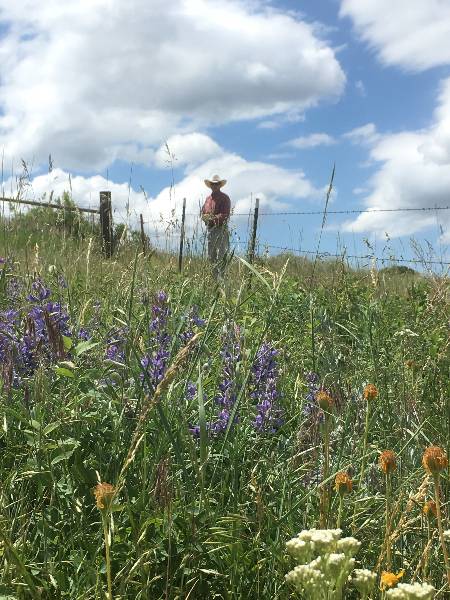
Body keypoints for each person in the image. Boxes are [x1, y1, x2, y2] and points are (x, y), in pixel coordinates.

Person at [201, 174, 231, 280]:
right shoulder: (208, 199)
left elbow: (225, 215)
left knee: (222, 257)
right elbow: (203, 212)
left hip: (220, 230)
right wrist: (205, 218)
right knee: (211, 257)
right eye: (213, 184)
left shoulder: (224, 198)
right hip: (210, 231)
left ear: (220, 185)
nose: (215, 186)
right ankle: (214, 282)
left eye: (217, 184)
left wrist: (211, 219)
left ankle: (222, 281)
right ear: (210, 185)